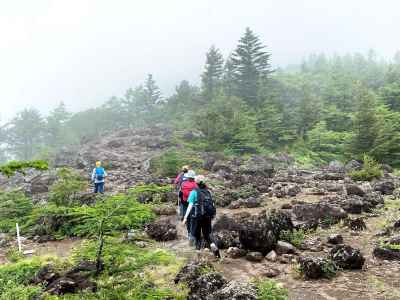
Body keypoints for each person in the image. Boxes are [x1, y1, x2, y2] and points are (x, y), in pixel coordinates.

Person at [182, 175, 220, 257]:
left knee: (197, 236)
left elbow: (190, 206)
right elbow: (212, 204)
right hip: (207, 217)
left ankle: (198, 253)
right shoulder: (208, 192)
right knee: (207, 235)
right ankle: (214, 249)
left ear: (196, 183)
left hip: (197, 217)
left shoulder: (194, 192)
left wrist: (185, 217)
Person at [180, 170, 198, 238]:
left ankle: (189, 232)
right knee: (193, 218)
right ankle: (193, 233)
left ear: (188, 177)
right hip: (194, 203)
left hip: (185, 203)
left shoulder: (183, 184)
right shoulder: (196, 184)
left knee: (187, 217)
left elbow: (184, 193)